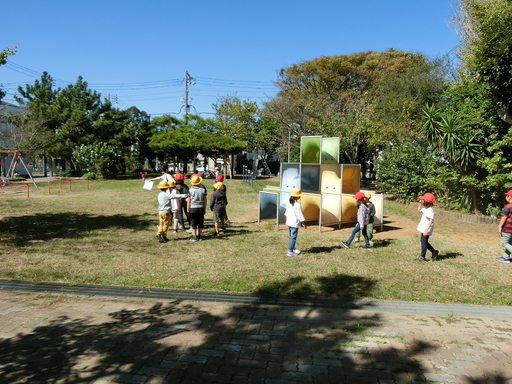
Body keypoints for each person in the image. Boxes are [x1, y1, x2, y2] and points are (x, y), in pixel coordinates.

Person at [415, 192, 440, 262]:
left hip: (427, 228)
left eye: (423, 200)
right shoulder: (426, 208)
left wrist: (426, 230)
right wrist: (420, 204)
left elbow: (431, 220)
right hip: (424, 227)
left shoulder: (430, 210)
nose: (421, 201)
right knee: (423, 241)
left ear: (426, 201)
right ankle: (434, 252)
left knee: (423, 241)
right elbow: (418, 211)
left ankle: (422, 256)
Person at [285, 188, 307, 256]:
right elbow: (300, 215)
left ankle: (293, 249)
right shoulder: (297, 205)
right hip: (294, 223)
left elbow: (287, 213)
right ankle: (290, 252)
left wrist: (286, 221)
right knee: (293, 237)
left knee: (291, 236)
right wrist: (303, 223)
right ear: (297, 196)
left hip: (289, 223)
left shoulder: (289, 203)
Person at [187, 174, 207, 242]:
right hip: (201, 207)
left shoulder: (191, 189)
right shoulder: (203, 189)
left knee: (193, 222)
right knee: (200, 222)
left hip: (193, 208)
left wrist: (188, 209)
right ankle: (200, 236)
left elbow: (189, 200)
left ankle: (194, 236)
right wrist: (204, 208)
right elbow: (205, 200)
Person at [496, 190, 512, 263]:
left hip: (507, 229)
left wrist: (500, 226)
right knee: (510, 243)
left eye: (507, 195)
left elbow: (504, 217)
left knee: (504, 242)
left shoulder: (507, 207)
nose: (506, 197)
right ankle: (506, 257)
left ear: (509, 197)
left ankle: (506, 257)